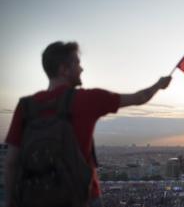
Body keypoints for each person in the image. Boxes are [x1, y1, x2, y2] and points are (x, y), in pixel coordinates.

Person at [4, 41, 172, 207]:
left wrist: (11, 201)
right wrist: (159, 84)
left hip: (36, 197)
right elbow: (140, 98)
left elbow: (11, 161)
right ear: (64, 69)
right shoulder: (88, 99)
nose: (81, 69)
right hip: (82, 197)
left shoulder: (26, 106)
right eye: (77, 63)